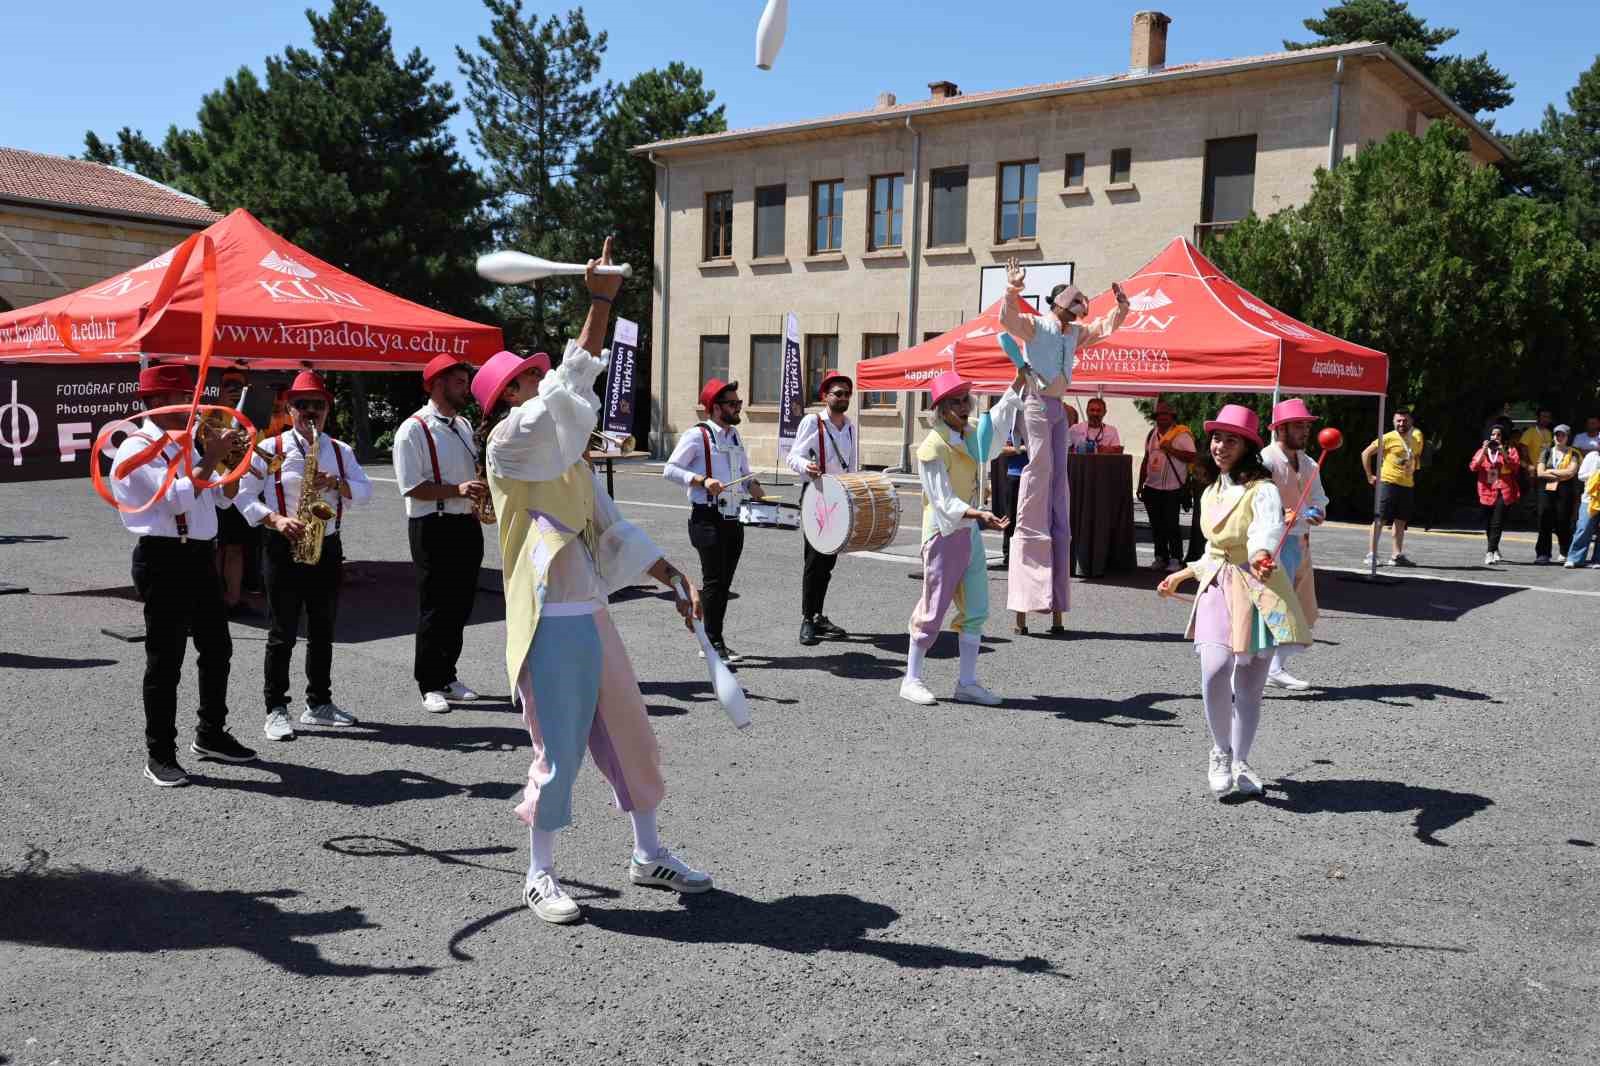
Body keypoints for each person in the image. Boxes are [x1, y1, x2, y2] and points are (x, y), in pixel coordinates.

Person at [481, 239, 711, 925]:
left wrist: (669, 573)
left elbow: (612, 527)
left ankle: (647, 855)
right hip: (546, 620)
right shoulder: (510, 445)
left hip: (589, 614)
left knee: (631, 737)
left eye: (535, 374)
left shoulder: (570, 463)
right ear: (508, 398)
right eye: (526, 377)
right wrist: (601, 304)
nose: (539, 379)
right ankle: (539, 873)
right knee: (559, 754)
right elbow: (564, 397)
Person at [113, 363, 257, 787]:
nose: (194, 412)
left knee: (217, 648)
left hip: (198, 556)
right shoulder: (135, 448)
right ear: (157, 404)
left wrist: (234, 464)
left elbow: (222, 501)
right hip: (162, 558)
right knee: (166, 659)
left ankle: (210, 733)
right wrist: (213, 457)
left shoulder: (190, 445)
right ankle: (160, 753)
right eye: (184, 402)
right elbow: (175, 500)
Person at [1156, 405, 1311, 799]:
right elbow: (1214, 549)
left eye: (1230, 439)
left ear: (1247, 446)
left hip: (1257, 586)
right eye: (1217, 438)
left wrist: (1261, 555)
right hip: (1217, 584)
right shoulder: (1210, 491)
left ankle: (1241, 760)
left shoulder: (1264, 490)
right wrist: (1184, 573)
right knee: (1214, 670)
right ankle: (1220, 751)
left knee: (1249, 688)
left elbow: (1266, 528)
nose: (1221, 445)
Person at [238, 371, 374, 741]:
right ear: (289, 408)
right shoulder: (270, 448)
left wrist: (335, 483)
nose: (311, 411)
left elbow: (364, 492)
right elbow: (243, 495)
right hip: (283, 544)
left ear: (327, 409)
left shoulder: (340, 451)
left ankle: (319, 704)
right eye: (303, 405)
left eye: (318, 405)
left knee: (322, 629)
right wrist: (277, 519)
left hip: (326, 544)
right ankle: (275, 709)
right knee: (281, 632)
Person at [997, 262, 1130, 636]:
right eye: (1071, 310)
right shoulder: (1036, 325)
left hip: (1058, 407)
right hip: (1037, 401)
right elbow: (1009, 320)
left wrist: (1121, 308)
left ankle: (1054, 527)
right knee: (1038, 469)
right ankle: (1032, 525)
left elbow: (1104, 328)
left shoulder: (1073, 334)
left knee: (1059, 479)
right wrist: (1012, 289)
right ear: (1056, 304)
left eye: (1077, 313)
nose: (1074, 318)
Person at [901, 370, 1019, 706]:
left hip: (968, 533)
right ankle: (911, 679)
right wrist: (978, 514)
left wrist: (1017, 385)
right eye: (956, 401)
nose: (964, 406)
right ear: (940, 408)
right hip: (942, 533)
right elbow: (942, 500)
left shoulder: (967, 435)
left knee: (977, 607)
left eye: (965, 399)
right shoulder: (932, 446)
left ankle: (966, 682)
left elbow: (994, 431)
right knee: (933, 609)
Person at [395, 354, 490, 714]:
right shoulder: (413, 429)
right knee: (435, 605)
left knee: (461, 603)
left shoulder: (463, 424)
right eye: (459, 382)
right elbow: (411, 487)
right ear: (437, 384)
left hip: (465, 523)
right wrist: (458, 489)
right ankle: (429, 683)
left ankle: (448, 674)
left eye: (466, 382)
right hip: (431, 526)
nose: (466, 388)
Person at [663, 378, 767, 664]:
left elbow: (745, 474)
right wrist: (700, 479)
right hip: (706, 518)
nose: (738, 408)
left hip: (733, 517)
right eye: (732, 404)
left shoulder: (734, 436)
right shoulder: (697, 435)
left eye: (739, 403)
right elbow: (669, 469)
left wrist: (756, 489)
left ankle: (715, 638)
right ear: (715, 407)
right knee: (714, 581)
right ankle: (710, 641)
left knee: (724, 582)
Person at [1259, 399, 1328, 691]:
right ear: (1280, 428)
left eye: (1306, 425)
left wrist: (1318, 513)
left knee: (1302, 611)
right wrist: (1278, 514)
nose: (1305, 431)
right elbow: (1255, 499)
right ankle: (1257, 670)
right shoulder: (1266, 459)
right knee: (1276, 609)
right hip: (1274, 545)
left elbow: (1319, 499)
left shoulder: (1310, 462)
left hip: (1300, 543)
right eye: (1298, 425)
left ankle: (1276, 668)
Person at [787, 369, 858, 646]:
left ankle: (817, 615)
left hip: (840, 497)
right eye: (838, 393)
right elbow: (793, 456)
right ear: (826, 396)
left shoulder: (850, 426)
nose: (843, 398)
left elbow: (851, 465)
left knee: (828, 561)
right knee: (814, 561)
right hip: (816, 497)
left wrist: (854, 492)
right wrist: (807, 466)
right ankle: (807, 618)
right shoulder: (812, 422)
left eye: (847, 394)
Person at [212, 369, 259, 616]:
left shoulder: (249, 416)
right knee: (217, 547)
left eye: (238, 385)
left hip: (240, 486)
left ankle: (233, 598)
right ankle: (214, 598)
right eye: (228, 384)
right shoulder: (209, 415)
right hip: (216, 486)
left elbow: (257, 444)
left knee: (236, 547)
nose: (233, 389)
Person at [1361, 405, 1424, 567]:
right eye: (1398, 421)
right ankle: (1371, 554)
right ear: (1393, 422)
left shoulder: (1417, 436)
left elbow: (1416, 453)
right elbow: (1366, 453)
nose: (1401, 423)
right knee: (1380, 519)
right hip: (1388, 482)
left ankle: (1396, 555)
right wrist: (1370, 476)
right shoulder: (1388, 437)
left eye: (1405, 420)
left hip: (1407, 484)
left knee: (1401, 521)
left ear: (1411, 421)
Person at [1140, 400, 1197, 572]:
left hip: (1173, 488)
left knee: (1172, 525)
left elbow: (1191, 457)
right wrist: (1140, 484)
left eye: (1166, 415)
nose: (1162, 418)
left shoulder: (1182, 435)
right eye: (1159, 415)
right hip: (1152, 487)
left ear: (1172, 417)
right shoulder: (1152, 434)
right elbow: (1146, 459)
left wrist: (1170, 449)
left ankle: (1175, 559)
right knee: (1156, 525)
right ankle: (1160, 557)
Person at [1469, 424, 1522, 566]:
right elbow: (1473, 467)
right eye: (1493, 434)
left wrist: (1503, 452)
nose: (1495, 437)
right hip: (1486, 490)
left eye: (1498, 435)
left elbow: (1514, 468)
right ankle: (1494, 548)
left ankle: (1490, 552)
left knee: (1497, 523)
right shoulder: (1482, 450)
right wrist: (1484, 451)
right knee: (1488, 523)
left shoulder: (1510, 450)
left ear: (1503, 437)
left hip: (1503, 491)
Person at [987, 400, 1027, 572]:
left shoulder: (1033, 428)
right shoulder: (1008, 428)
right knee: (1010, 517)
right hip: (1014, 476)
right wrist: (1022, 449)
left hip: (1032, 476)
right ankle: (1008, 556)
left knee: (1027, 518)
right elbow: (1002, 449)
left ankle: (1024, 555)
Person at [1534, 424, 1581, 564]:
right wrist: (1557, 474)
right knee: (1544, 519)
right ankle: (1543, 553)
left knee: (1563, 520)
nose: (1559, 437)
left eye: (1563, 435)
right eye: (1557, 435)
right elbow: (1540, 472)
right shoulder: (1546, 451)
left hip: (1565, 489)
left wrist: (1550, 472)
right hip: (1546, 488)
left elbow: (1571, 472)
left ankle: (1565, 551)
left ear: (1568, 437)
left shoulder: (1574, 453)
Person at [1566, 447, 1600, 568]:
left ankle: (1597, 560)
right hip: (1589, 499)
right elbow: (1581, 475)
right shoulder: (1591, 456)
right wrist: (1596, 473)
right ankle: (1574, 558)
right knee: (1583, 528)